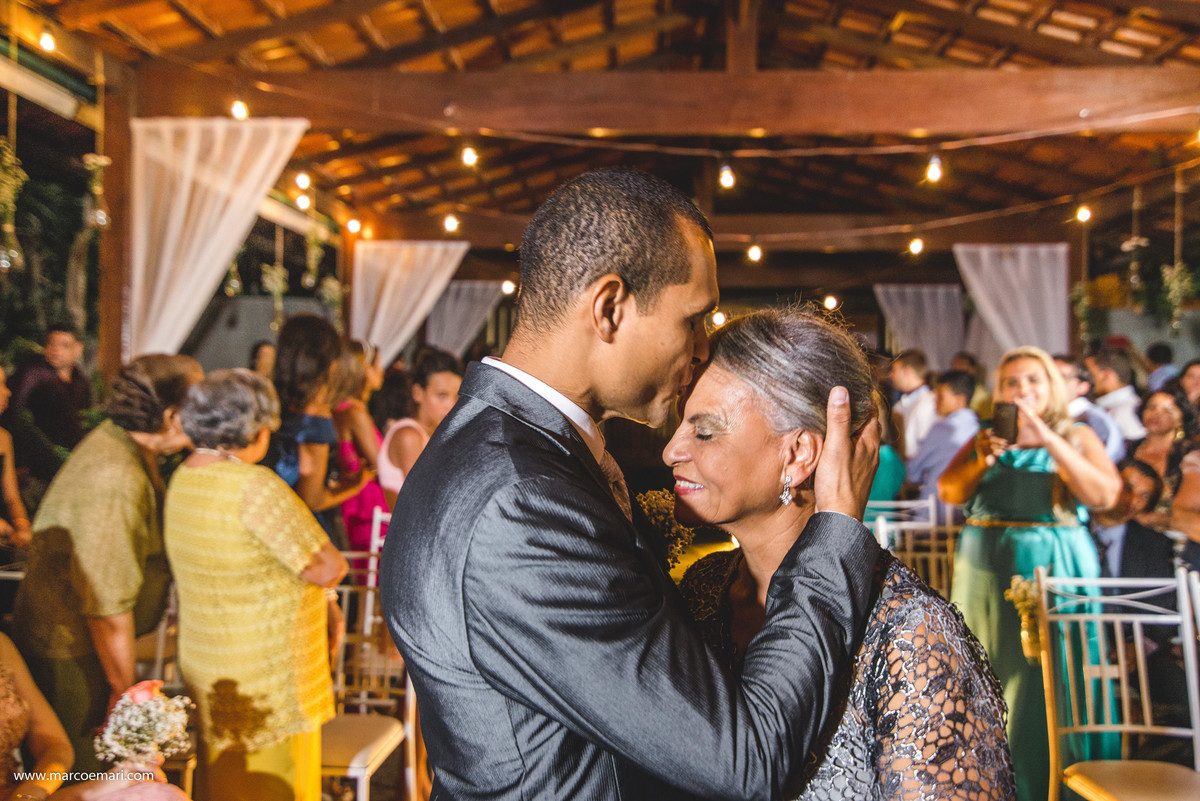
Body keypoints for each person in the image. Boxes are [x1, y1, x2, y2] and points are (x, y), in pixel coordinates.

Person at [380, 169, 882, 800]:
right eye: (693, 319)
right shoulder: (520, 501)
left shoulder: (507, 448)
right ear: (610, 308)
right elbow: (744, 759)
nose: (702, 348)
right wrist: (836, 530)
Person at [672, 308, 1014, 800]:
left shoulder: (911, 636)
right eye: (680, 424)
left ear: (798, 455)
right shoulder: (704, 588)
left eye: (704, 431)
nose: (671, 450)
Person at [939, 345, 1121, 801]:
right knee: (990, 669)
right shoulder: (985, 437)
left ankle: (1058, 781)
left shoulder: (1077, 434)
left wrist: (1048, 438)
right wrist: (981, 460)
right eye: (1012, 382)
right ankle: (993, 780)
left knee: (1054, 674)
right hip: (986, 571)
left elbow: (1104, 495)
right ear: (1000, 391)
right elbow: (949, 492)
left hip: (1056, 566)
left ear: (1051, 387)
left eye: (1032, 380)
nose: (1022, 390)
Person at [11, 354, 202, 774]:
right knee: (85, 774)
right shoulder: (115, 477)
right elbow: (105, 604)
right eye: (199, 405)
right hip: (72, 652)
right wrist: (123, 690)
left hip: (85, 646)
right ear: (170, 416)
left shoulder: (127, 444)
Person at [166, 369, 347, 801]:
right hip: (267, 678)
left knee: (223, 784)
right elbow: (327, 566)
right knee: (274, 785)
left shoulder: (184, 477)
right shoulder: (253, 486)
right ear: (255, 428)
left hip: (210, 667)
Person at [0, 632, 189, 801]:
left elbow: (54, 744)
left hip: (22, 794)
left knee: (162, 796)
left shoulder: (3, 646)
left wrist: (32, 793)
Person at [268, 314, 370, 544]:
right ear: (330, 364)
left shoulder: (271, 403)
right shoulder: (314, 416)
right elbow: (311, 500)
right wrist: (355, 485)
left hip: (268, 521)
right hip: (299, 533)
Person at [6, 324, 93, 482]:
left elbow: (86, 419)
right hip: (37, 467)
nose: (55, 350)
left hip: (73, 462)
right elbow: (13, 414)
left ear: (78, 349)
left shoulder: (81, 381)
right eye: (51, 343)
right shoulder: (33, 375)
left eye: (64, 345)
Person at [377, 348, 462, 509]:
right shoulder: (408, 435)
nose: (451, 405)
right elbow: (424, 499)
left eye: (456, 397)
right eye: (442, 395)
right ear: (417, 393)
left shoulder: (435, 434)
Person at [330, 341, 388, 552]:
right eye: (376, 365)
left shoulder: (340, 408)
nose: (381, 371)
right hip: (367, 508)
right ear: (362, 370)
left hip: (353, 503)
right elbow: (381, 465)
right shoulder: (355, 412)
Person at [905, 369, 979, 522]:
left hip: (935, 517)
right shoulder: (979, 429)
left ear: (959, 400)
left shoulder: (941, 429)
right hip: (967, 516)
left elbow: (912, 473)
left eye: (941, 396)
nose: (935, 401)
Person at [1126, 383, 1199, 531]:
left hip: (1172, 535)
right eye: (1151, 407)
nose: (1156, 414)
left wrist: (1157, 519)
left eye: (1167, 410)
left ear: (1181, 418)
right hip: (1125, 527)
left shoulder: (1190, 455)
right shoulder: (1127, 447)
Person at [1053, 355, 1126, 464]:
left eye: (1062, 377)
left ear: (1082, 387)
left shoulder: (1094, 421)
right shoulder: (1051, 415)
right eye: (1047, 376)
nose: (1052, 383)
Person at [1086, 346, 1147, 442]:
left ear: (1106, 374)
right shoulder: (1111, 407)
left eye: (1090, 374)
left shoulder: (1126, 412)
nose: (1085, 380)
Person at [889, 349, 937, 459]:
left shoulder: (928, 404)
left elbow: (927, 449)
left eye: (894, 370)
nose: (890, 375)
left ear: (908, 372)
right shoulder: (900, 404)